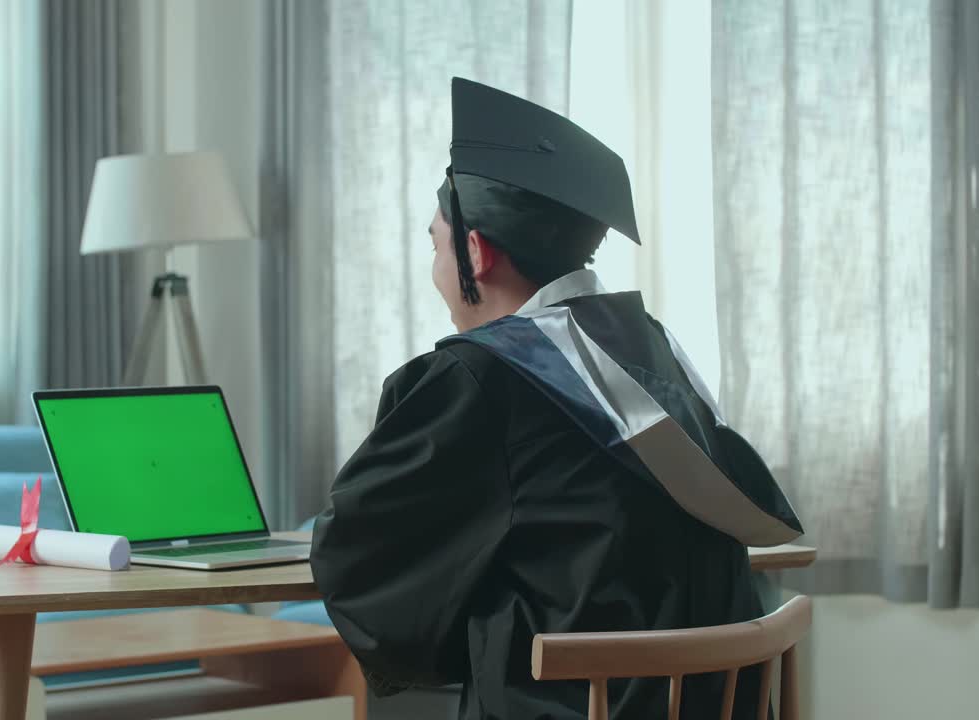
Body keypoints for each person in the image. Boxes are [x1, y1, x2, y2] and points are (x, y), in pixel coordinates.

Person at [310, 77, 802, 720]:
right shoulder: (652, 350)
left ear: (476, 254)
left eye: (436, 244)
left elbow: (362, 566)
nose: (436, 269)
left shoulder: (479, 380)